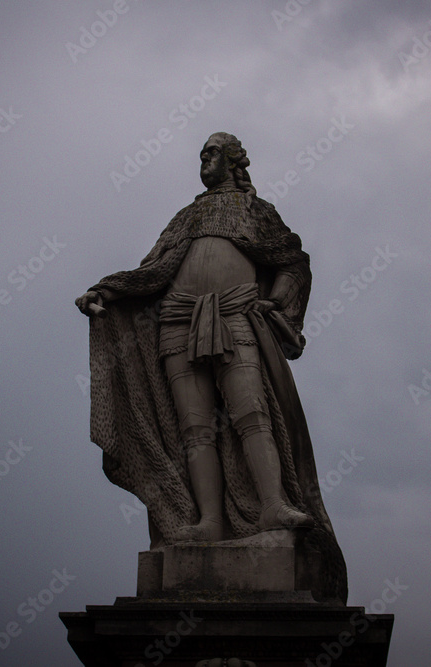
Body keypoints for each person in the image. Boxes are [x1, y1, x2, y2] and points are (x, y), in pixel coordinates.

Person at [76, 132, 347, 604]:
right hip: (177, 321)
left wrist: (277, 303)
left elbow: (292, 261)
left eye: (213, 152)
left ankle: (273, 508)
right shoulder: (186, 216)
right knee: (194, 430)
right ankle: (208, 521)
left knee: (252, 414)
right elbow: (153, 270)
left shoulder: (254, 211)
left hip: (235, 314)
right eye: (201, 153)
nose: (205, 158)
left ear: (234, 160)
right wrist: (109, 291)